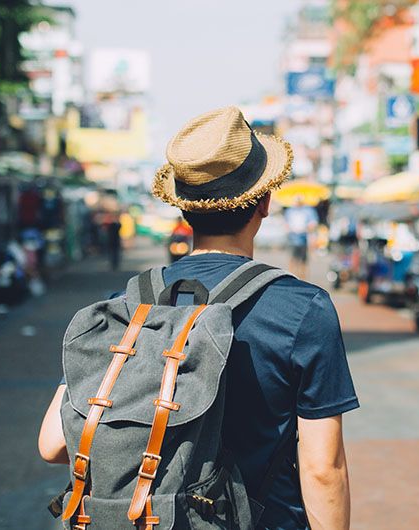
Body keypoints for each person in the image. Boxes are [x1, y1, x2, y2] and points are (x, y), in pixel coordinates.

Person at [38, 107, 358, 530]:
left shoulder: (127, 305)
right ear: (264, 202)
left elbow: (52, 444)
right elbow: (323, 468)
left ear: (184, 211)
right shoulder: (302, 309)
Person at [284, 195, 318, 280]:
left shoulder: (308, 210)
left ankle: (303, 279)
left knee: (303, 260)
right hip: (293, 238)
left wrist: (305, 228)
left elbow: (314, 223)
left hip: (304, 238)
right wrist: (291, 229)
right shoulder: (290, 210)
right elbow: (285, 223)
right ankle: (291, 278)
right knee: (293, 259)